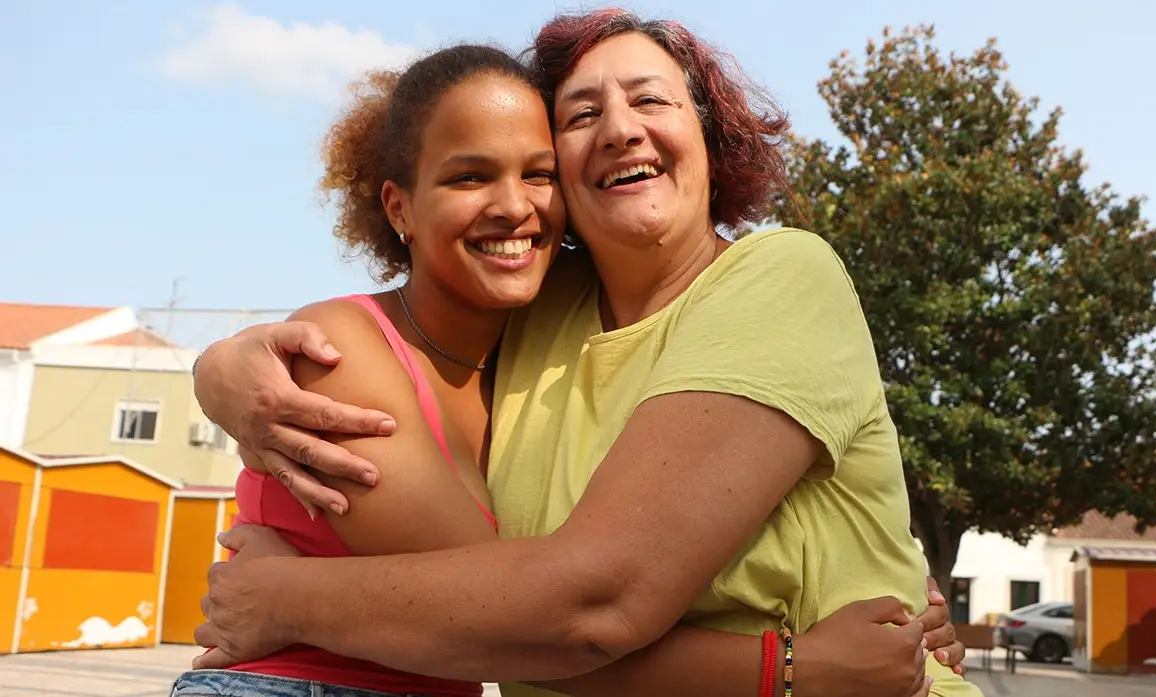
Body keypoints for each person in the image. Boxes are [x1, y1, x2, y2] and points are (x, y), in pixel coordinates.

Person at [189, 9, 981, 697]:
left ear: (709, 132)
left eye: (650, 99)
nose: (620, 128)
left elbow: (571, 609)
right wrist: (221, 368)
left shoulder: (780, 277)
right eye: (579, 115)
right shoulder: (542, 312)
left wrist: (287, 594)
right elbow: (523, 621)